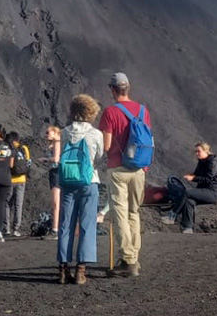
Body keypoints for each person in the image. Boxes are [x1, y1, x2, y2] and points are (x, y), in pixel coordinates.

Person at [99, 72, 152, 278]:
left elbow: (107, 146)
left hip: (118, 168)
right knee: (133, 212)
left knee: (119, 212)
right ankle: (134, 257)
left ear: (113, 90)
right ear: (128, 88)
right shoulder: (142, 110)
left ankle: (127, 261)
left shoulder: (110, 112)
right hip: (139, 169)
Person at [56, 96, 103, 285]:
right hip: (89, 182)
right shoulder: (96, 134)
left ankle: (62, 269)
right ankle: (81, 270)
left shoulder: (64, 132)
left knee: (65, 225)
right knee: (87, 226)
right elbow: (99, 156)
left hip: (68, 182)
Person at [178, 142, 217, 233]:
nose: (197, 153)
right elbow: (196, 175)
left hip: (213, 192)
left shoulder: (212, 163)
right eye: (196, 151)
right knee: (189, 201)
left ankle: (174, 213)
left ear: (206, 151)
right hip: (204, 191)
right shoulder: (201, 163)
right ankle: (188, 227)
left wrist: (193, 178)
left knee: (187, 192)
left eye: (198, 151)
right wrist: (190, 176)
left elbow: (208, 179)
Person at [5, 131, 30, 237]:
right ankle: (16, 228)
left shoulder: (8, 149)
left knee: (7, 204)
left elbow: (8, 165)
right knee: (18, 205)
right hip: (21, 179)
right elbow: (28, 162)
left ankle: (6, 228)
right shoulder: (24, 149)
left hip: (10, 179)